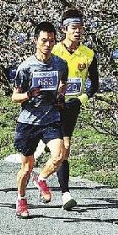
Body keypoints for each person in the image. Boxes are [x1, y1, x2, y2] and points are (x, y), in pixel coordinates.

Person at [12, 22, 69, 219]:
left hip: (51, 118)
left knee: (59, 154)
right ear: (36, 41)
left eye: (51, 41)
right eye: (44, 40)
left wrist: (60, 97)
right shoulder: (26, 67)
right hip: (28, 122)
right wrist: (29, 93)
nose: (48, 44)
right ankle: (21, 199)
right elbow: (15, 97)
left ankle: (42, 178)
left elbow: (64, 83)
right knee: (26, 168)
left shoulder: (61, 64)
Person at [51, 8, 99, 211]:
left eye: (80, 28)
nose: (77, 31)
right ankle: (65, 193)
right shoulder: (54, 51)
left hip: (73, 106)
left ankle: (47, 178)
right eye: (73, 28)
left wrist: (81, 99)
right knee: (62, 148)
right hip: (52, 105)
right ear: (64, 29)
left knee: (64, 150)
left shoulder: (88, 54)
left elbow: (95, 85)